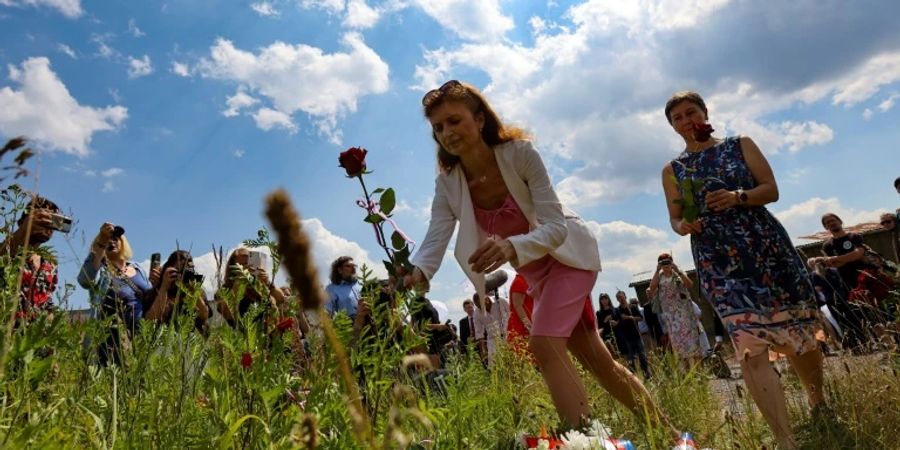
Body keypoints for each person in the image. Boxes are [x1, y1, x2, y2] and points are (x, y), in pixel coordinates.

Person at [409, 80, 678, 437]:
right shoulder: (449, 184)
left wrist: (510, 247)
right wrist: (417, 272)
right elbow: (435, 236)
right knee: (597, 360)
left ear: (479, 119)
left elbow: (555, 226)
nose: (447, 132)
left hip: (568, 257)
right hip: (537, 275)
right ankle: (671, 437)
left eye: (454, 121)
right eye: (438, 127)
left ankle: (585, 441)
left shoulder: (520, 154)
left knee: (544, 343)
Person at [662, 91, 826, 449]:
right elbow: (675, 218)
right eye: (678, 117)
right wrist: (683, 226)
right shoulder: (673, 171)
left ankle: (819, 405)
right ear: (673, 127)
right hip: (718, 261)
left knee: (798, 334)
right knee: (749, 345)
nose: (686, 120)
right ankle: (786, 440)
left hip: (766, 249)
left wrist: (738, 196)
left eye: (691, 112)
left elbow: (771, 189)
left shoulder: (740, 145)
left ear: (705, 112)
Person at [78, 223, 153, 366]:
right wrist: (101, 242)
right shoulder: (99, 267)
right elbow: (85, 281)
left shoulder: (137, 268)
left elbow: (149, 298)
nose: (112, 241)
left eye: (116, 238)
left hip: (140, 334)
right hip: (110, 338)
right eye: (108, 239)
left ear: (123, 242)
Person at [1, 195, 62, 322]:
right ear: (21, 222)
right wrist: (25, 230)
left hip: (31, 338)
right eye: (42, 219)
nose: (47, 225)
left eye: (52, 221)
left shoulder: (50, 263)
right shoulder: (8, 249)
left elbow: (47, 303)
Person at [646, 254, 702, 369]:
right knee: (678, 344)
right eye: (663, 262)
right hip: (672, 317)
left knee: (691, 341)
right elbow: (651, 288)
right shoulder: (659, 276)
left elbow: (689, 284)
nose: (666, 265)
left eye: (668, 262)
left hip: (685, 313)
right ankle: (685, 371)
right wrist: (657, 270)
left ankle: (697, 368)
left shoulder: (679, 273)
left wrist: (677, 270)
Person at [216, 247, 286, 329]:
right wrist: (238, 282)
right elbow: (227, 314)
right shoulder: (225, 289)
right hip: (244, 338)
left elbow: (281, 299)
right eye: (241, 266)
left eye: (248, 264)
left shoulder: (259, 286)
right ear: (232, 269)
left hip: (268, 337)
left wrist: (267, 282)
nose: (246, 268)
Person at [144, 250, 210, 332]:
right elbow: (149, 321)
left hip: (190, 340)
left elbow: (205, 316)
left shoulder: (196, 291)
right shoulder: (158, 291)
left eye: (188, 270)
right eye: (179, 270)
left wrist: (193, 290)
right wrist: (164, 287)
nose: (182, 275)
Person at [821, 213, 868, 291]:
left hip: (866, 277)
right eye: (828, 222)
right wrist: (850, 257)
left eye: (833, 220)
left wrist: (835, 258)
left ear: (840, 221)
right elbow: (833, 265)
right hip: (848, 284)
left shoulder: (854, 236)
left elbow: (858, 254)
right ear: (825, 227)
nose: (831, 223)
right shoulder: (827, 245)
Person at [614, 291, 651, 379]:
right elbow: (618, 322)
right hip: (627, 338)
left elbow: (640, 318)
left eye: (621, 296)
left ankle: (647, 376)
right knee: (631, 360)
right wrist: (616, 323)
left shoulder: (632, 307)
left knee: (642, 357)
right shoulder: (618, 310)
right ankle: (634, 379)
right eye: (618, 297)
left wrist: (629, 317)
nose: (621, 298)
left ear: (625, 296)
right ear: (617, 299)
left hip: (637, 336)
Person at [472, 292, 509, 366]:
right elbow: (479, 333)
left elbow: (512, 312)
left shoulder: (501, 301)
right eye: (477, 306)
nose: (480, 308)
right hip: (493, 340)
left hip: (508, 335)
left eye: (481, 305)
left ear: (487, 300)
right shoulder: (476, 313)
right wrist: (483, 351)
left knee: (512, 361)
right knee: (494, 366)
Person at [506, 273, 535, 357]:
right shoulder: (519, 281)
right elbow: (518, 306)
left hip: (529, 326)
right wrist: (530, 327)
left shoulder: (526, 280)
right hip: (521, 329)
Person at [324, 256, 361, 320]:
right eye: (348, 266)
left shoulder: (361, 284)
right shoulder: (331, 289)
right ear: (340, 270)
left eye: (354, 266)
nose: (353, 268)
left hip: (370, 324)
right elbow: (327, 312)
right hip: (348, 325)